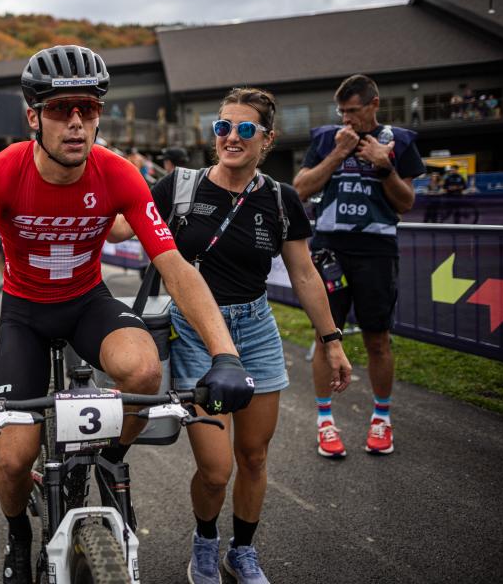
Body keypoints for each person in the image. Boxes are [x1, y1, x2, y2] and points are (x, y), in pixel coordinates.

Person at [0, 44, 255, 584]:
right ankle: (18, 534)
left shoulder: (118, 174)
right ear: (33, 116)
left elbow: (177, 266)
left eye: (88, 109)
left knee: (144, 371)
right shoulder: (2, 172)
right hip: (24, 314)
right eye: (60, 109)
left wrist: (226, 356)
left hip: (86, 303)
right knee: (14, 463)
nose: (76, 122)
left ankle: (112, 454)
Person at [109, 88, 352, 584]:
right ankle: (204, 542)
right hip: (196, 331)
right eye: (223, 127)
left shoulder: (281, 199)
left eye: (245, 129)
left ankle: (243, 552)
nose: (231, 138)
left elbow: (305, 274)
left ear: (267, 139)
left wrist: (332, 340)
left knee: (255, 457)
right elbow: (119, 228)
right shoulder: (179, 186)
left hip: (257, 332)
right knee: (217, 469)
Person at [294, 74, 425, 458]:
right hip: (330, 250)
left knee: (377, 339)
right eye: (342, 112)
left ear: (374, 104)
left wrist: (384, 167)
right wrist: (337, 154)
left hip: (377, 251)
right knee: (325, 337)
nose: (347, 119)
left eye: (353, 111)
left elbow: (406, 204)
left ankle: (381, 419)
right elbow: (300, 188)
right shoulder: (325, 139)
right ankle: (325, 422)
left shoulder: (399, 141)